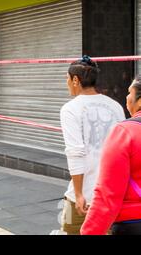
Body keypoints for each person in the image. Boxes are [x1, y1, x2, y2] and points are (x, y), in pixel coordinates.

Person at [59, 55, 125, 235]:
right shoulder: (116, 106)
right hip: (113, 195)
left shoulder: (70, 109)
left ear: (75, 80)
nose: (66, 84)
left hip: (85, 197)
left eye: (67, 79)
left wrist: (79, 194)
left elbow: (75, 152)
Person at [81, 76, 141, 235]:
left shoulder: (125, 132)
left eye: (129, 92)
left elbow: (107, 195)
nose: (127, 97)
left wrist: (90, 231)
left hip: (133, 224)